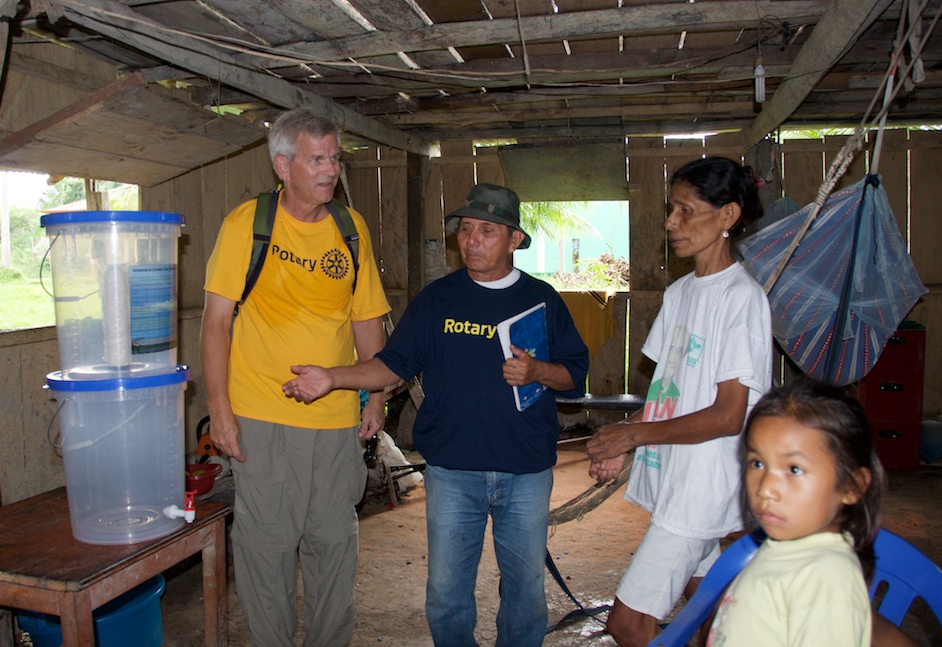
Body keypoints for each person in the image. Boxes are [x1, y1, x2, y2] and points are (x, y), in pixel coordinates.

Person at [283, 183, 590, 647]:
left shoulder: (542, 299)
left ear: (514, 240)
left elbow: (575, 375)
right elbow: (391, 364)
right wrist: (333, 377)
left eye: (487, 230)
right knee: (446, 594)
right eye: (465, 229)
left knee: (525, 592)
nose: (472, 240)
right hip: (452, 471)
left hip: (525, 469)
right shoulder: (437, 301)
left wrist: (538, 371)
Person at [200, 107, 391, 647]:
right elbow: (215, 323)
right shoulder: (247, 224)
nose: (330, 169)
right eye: (316, 159)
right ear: (283, 166)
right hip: (261, 416)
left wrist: (376, 397)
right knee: (265, 547)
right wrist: (220, 411)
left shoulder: (350, 229)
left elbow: (366, 320)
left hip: (336, 419)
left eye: (334, 158)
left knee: (334, 544)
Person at [586, 156, 773, 647]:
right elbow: (666, 391)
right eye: (672, 209)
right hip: (677, 475)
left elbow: (729, 416)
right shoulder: (680, 293)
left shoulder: (741, 299)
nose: (671, 222)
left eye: (685, 210)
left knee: (628, 625)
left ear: (728, 215)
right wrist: (624, 441)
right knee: (710, 607)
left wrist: (633, 433)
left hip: (703, 484)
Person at [705, 378, 885, 646]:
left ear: (851, 486)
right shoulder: (790, 546)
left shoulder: (826, 578)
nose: (765, 488)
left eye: (794, 469)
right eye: (757, 463)